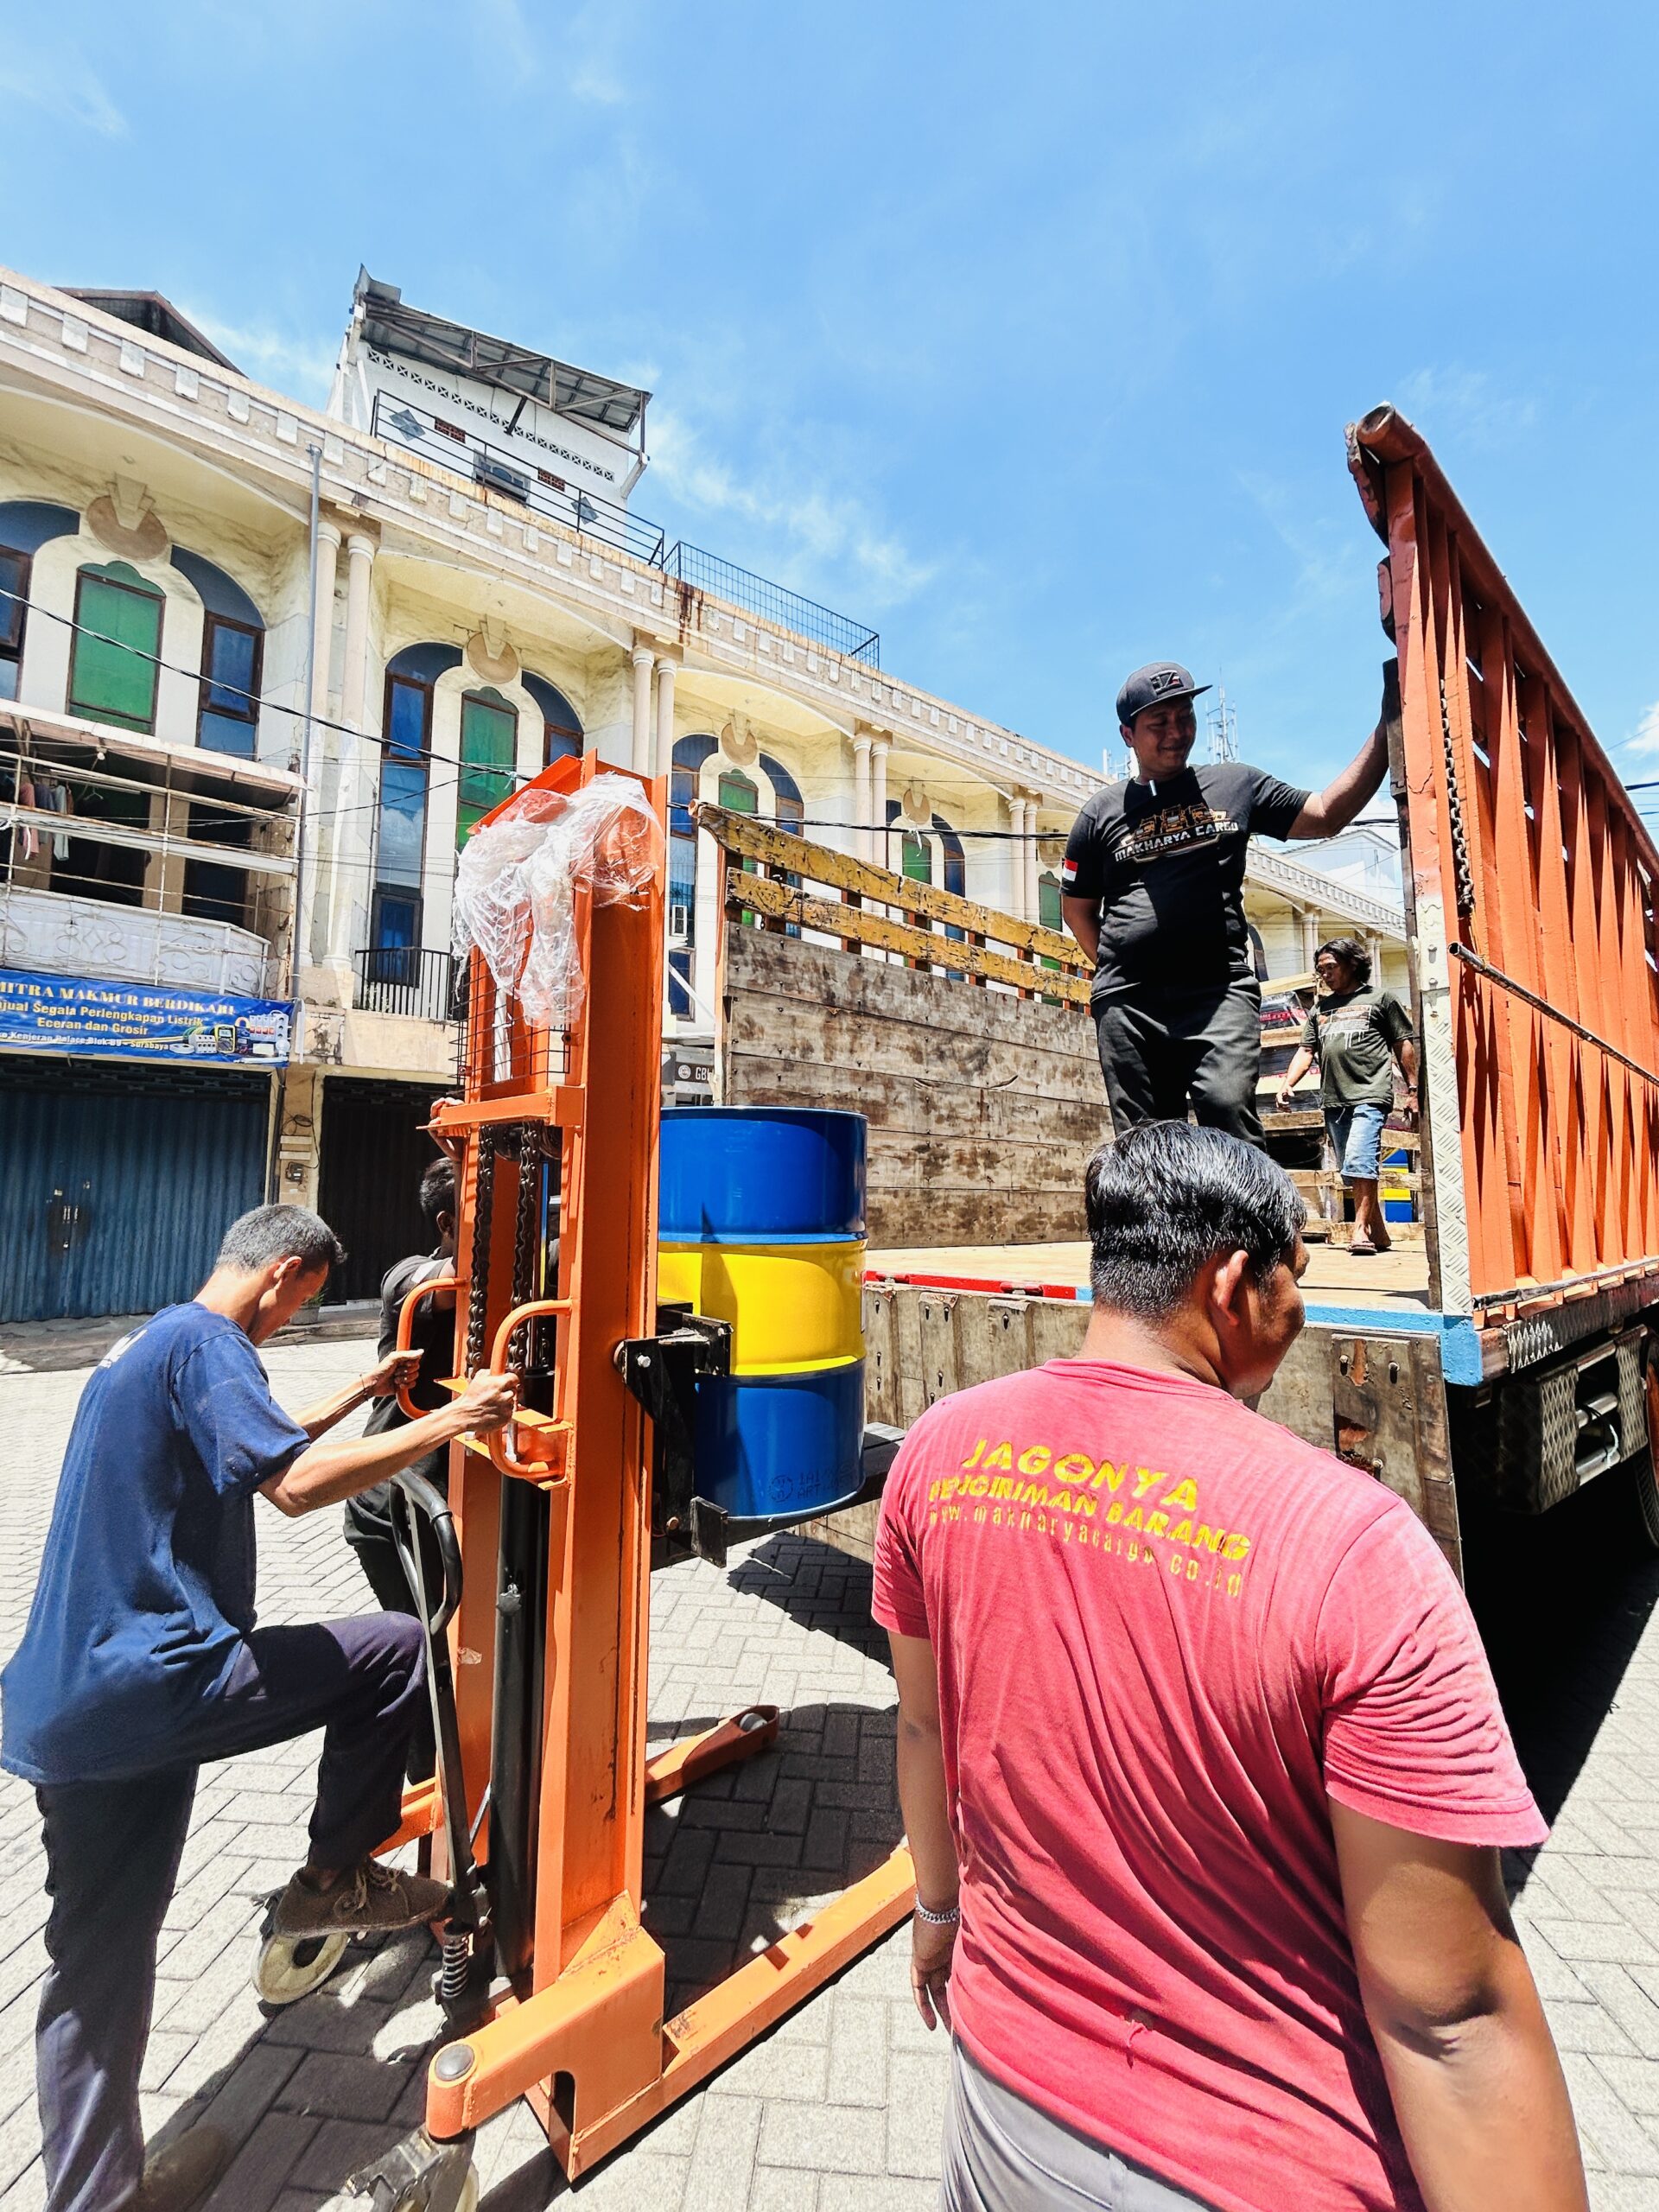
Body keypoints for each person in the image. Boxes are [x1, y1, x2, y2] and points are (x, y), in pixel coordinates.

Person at [873, 1122, 1584, 2212]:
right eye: (1296, 1271)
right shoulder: (1354, 1548)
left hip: (999, 2107)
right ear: (1233, 1284)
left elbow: (922, 1729)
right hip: (1254, 2165)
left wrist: (937, 1915)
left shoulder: (941, 1448)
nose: (1303, 1307)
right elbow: (1453, 2017)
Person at [0, 1205, 519, 2212]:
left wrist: (360, 1394)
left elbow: (253, 1449)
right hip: (158, 1680)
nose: (287, 1324)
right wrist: (453, 1419)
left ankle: (94, 2198)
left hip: (63, 1710)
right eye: (301, 1305)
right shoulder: (214, 1343)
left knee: (94, 1965)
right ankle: (333, 1877)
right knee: (395, 1650)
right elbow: (288, 1489)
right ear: (284, 1273)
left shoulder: (149, 1342)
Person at [1060, 661, 1391, 1146]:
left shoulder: (1234, 784)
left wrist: (1387, 728)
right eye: (1159, 724)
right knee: (1147, 1145)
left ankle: (1244, 1225)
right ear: (1127, 734)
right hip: (1131, 1003)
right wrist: (1124, 971)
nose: (1176, 733)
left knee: (1227, 1111)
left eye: (1185, 717)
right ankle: (1165, 1226)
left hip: (1219, 995)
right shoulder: (1100, 814)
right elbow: (1077, 910)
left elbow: (1325, 814)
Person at [344, 1156, 460, 1778]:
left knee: (459, 1647)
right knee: (424, 1647)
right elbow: (460, 1275)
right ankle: (426, 1783)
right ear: (446, 1221)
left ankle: (456, 1767)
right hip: (389, 1510)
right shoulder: (412, 1279)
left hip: (441, 1503)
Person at [1275, 935, 1420, 1257]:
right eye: (1320, 969)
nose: (1324, 974)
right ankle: (1380, 1231)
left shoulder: (1380, 999)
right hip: (1334, 1098)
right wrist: (1288, 1082)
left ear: (1353, 964)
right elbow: (1305, 1050)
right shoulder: (1320, 1009)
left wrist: (1413, 1091)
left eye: (1330, 967)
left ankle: (1360, 1230)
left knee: (1359, 1158)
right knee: (1350, 1167)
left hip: (1370, 1093)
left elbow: (1403, 1045)